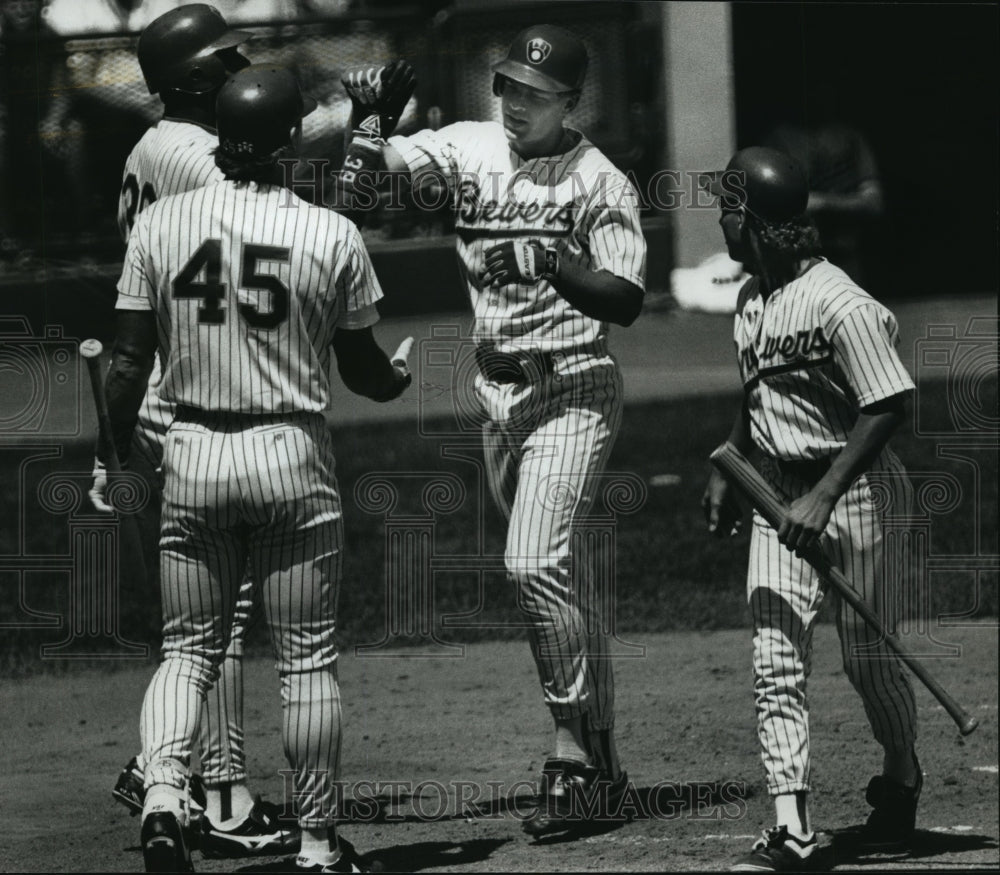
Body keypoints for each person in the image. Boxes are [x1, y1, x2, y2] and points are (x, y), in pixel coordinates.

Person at [94, 62, 411, 873]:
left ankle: (165, 795)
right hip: (289, 456)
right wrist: (398, 375)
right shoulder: (328, 232)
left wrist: (110, 452)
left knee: (187, 649)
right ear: (289, 141)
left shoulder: (161, 225)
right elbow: (367, 373)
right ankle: (314, 844)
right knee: (305, 660)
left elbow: (126, 362)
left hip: (192, 450)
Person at [339, 23, 645, 837]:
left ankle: (571, 754)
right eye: (507, 86)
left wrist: (550, 261)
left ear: (572, 102)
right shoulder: (468, 147)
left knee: (531, 561)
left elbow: (624, 296)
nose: (515, 103)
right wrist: (369, 122)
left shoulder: (599, 182)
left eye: (536, 94)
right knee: (558, 583)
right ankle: (604, 768)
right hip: (497, 397)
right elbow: (358, 199)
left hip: (574, 388)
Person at [90, 5, 298, 859]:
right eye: (223, 61)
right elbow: (263, 213)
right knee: (217, 610)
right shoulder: (188, 154)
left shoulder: (151, 151)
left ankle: (160, 762)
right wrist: (345, 128)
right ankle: (223, 797)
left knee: (204, 611)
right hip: (183, 405)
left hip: (153, 400)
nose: (238, 66)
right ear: (185, 81)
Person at [700, 147, 920, 872]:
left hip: (856, 492)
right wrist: (733, 465)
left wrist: (824, 494)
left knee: (868, 663)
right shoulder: (751, 299)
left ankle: (900, 774)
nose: (721, 223)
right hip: (776, 496)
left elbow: (889, 401)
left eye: (728, 210)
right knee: (775, 657)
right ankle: (790, 824)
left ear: (754, 223)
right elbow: (755, 390)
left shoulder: (839, 301)